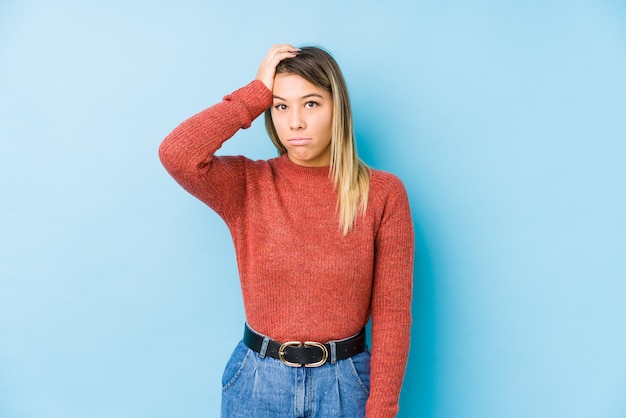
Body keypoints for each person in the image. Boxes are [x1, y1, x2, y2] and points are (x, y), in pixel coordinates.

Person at [159, 44, 414, 417]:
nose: (294, 122)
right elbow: (177, 154)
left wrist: (382, 409)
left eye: (310, 103)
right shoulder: (248, 184)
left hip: (346, 386)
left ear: (336, 108)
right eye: (280, 106)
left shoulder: (382, 194)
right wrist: (254, 94)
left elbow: (392, 314)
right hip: (257, 383)